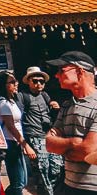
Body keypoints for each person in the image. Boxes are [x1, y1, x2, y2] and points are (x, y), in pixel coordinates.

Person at [45, 51, 97, 195]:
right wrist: (73, 143)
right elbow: (49, 144)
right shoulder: (67, 105)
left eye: (62, 70)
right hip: (69, 186)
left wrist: (62, 147)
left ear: (80, 71)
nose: (56, 75)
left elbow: (88, 151)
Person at [21, 66, 64, 195]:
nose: (39, 83)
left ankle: (51, 191)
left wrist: (55, 108)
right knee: (42, 169)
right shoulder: (23, 97)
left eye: (41, 81)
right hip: (35, 137)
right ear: (28, 81)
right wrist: (25, 144)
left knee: (57, 167)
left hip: (49, 136)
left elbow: (50, 113)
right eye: (35, 81)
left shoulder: (45, 95)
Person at [0, 71, 35, 195]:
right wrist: (25, 145)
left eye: (15, 81)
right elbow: (11, 127)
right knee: (18, 182)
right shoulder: (3, 104)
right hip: (10, 144)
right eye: (12, 82)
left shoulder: (12, 102)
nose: (16, 84)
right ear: (4, 85)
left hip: (16, 143)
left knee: (21, 180)